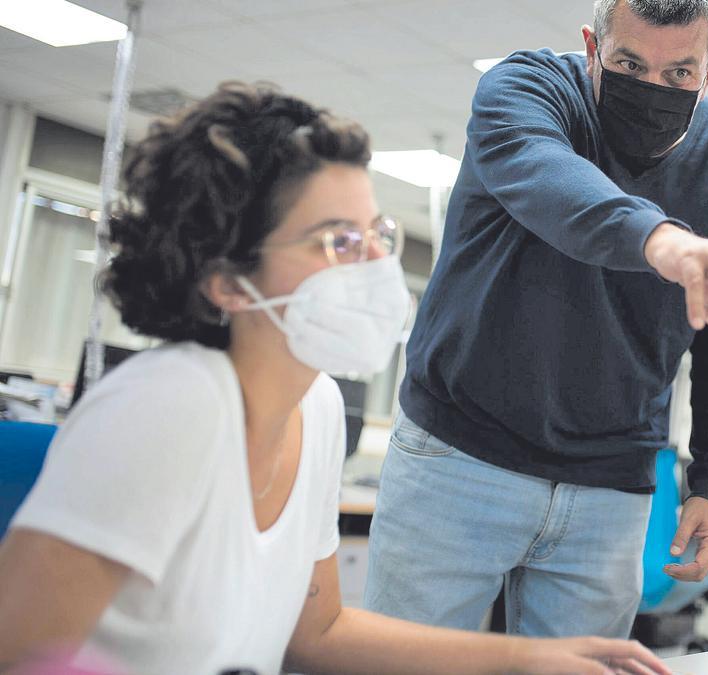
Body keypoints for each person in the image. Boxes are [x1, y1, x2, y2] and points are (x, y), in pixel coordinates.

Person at [0, 83, 668, 675]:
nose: (376, 262)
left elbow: (317, 633)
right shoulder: (169, 404)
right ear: (228, 281)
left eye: (375, 233)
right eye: (337, 241)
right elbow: (18, 654)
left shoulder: (314, 406)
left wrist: (529, 657)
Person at [365, 0, 708, 639]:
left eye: (679, 73)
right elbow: (554, 184)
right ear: (592, 46)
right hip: (457, 456)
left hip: (610, 488)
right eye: (629, 63)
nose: (652, 89)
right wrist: (663, 242)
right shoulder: (525, 90)